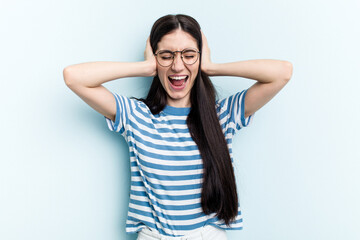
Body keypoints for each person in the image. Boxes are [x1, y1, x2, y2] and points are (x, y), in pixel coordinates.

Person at [63, 14, 293, 240]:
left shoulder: (223, 115)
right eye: (166, 56)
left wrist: (212, 67)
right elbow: (73, 77)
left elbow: (282, 73)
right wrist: (144, 67)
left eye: (189, 55)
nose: (177, 65)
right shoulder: (135, 115)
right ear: (155, 59)